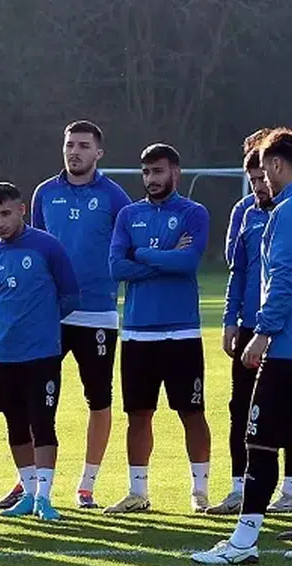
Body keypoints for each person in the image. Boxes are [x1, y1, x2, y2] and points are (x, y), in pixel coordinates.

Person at [192, 128, 292, 565]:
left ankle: (243, 542)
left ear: (277, 165)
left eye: (264, 169)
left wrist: (263, 333)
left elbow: (285, 279)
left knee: (259, 440)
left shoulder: (290, 211)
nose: (262, 179)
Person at [15, 120, 130, 510]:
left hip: (97, 314)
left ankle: (86, 485)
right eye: (69, 145)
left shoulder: (115, 197)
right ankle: (29, 483)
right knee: (35, 397)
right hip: (49, 315)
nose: (74, 152)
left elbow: (126, 249)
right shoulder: (45, 193)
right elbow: (34, 248)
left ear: (99, 152)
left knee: (98, 398)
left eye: (83, 145)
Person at [107, 143, 212, 514]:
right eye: (147, 172)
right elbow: (116, 267)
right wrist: (166, 257)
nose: (151, 179)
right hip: (138, 332)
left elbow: (188, 263)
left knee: (192, 413)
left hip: (182, 332)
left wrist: (142, 254)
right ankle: (138, 493)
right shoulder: (128, 215)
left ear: (175, 173)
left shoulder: (194, 213)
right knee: (138, 414)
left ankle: (200, 492)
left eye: (158, 171)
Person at [210, 133, 292, 515]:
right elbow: (238, 270)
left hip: (286, 327)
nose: (258, 187)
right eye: (252, 181)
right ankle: (239, 487)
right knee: (241, 408)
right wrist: (230, 320)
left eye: (262, 178)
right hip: (250, 326)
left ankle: (291, 489)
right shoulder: (246, 213)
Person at [0, 181, 79, 521]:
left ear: (21, 210)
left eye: (5, 213)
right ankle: (27, 492)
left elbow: (70, 295)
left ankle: (44, 498)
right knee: (16, 426)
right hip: (4, 354)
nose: (0, 222)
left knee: (43, 424)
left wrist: (43, 324)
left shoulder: (48, 247)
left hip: (42, 354)